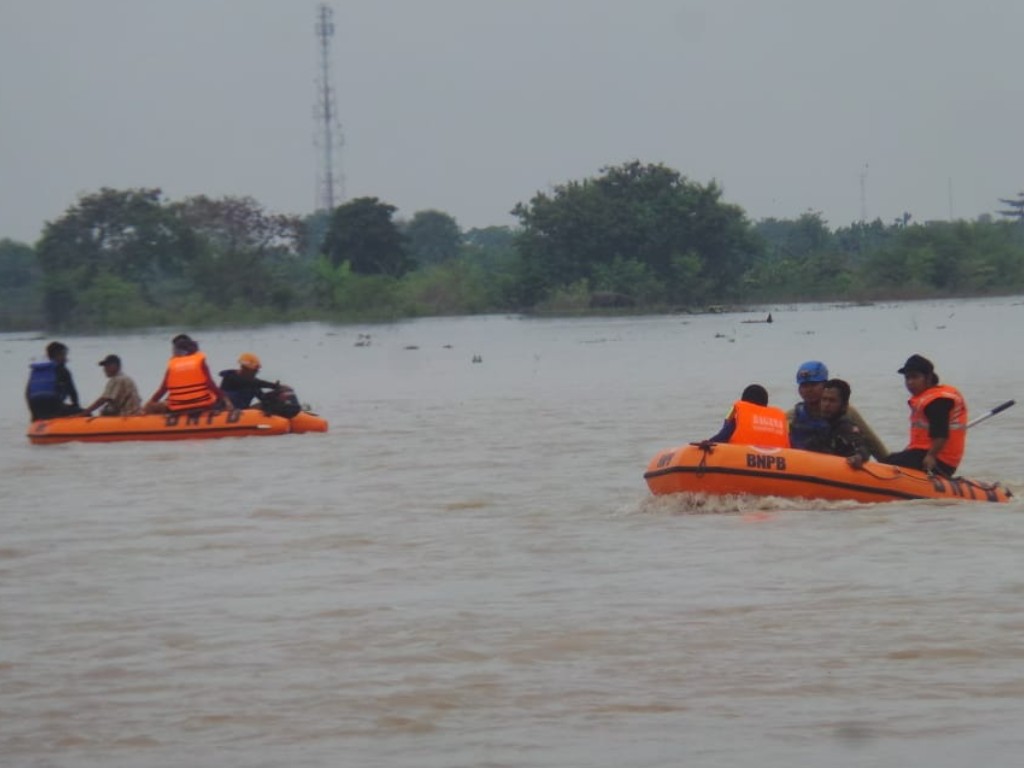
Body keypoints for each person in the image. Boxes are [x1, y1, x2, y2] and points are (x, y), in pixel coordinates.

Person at [880, 354, 967, 476]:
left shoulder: (937, 401)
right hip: (924, 452)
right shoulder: (926, 399)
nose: (910, 382)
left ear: (928, 377)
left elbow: (941, 434)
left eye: (915, 377)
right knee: (889, 459)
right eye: (907, 378)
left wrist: (931, 456)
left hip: (939, 459)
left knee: (887, 464)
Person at [787, 360, 889, 460]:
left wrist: (889, 463)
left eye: (813, 384)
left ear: (825, 385)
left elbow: (871, 442)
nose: (808, 390)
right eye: (804, 386)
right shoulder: (792, 416)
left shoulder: (847, 412)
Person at [145, 334, 232, 414]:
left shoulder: (173, 366)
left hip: (178, 408)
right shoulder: (200, 362)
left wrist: (149, 403)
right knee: (219, 400)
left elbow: (163, 389)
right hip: (203, 406)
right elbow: (210, 384)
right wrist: (225, 399)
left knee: (153, 407)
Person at [803, 378, 870, 468]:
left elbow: (862, 449)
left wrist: (859, 457)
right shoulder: (819, 426)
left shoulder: (846, 428)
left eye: (832, 401)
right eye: (824, 399)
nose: (826, 405)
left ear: (844, 406)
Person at [707, 383, 790, 447]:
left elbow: (721, 438)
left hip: (741, 462)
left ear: (743, 401)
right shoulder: (780, 420)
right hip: (779, 463)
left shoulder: (738, 417)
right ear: (765, 404)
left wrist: (706, 444)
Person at [25, 340, 83, 421]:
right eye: (64, 355)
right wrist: (77, 409)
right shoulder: (62, 370)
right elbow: (72, 392)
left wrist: (33, 414)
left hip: (35, 409)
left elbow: (28, 393)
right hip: (54, 408)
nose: (66, 359)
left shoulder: (36, 371)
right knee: (84, 412)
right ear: (58, 355)